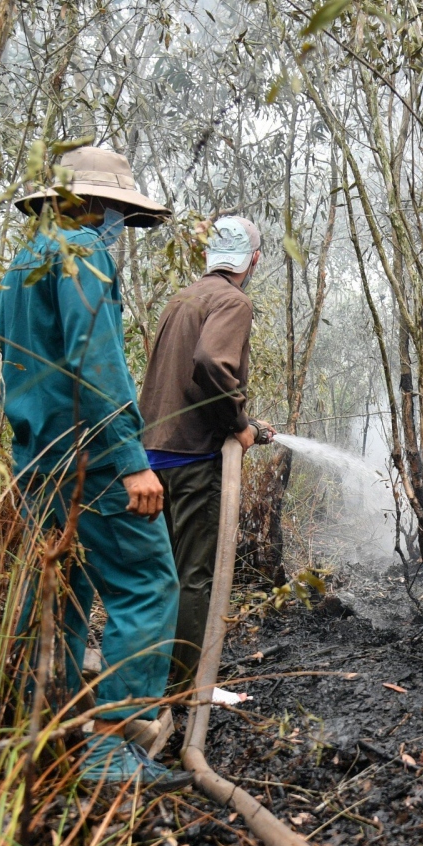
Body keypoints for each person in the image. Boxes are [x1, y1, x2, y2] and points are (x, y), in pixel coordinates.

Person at [0, 145, 191, 792]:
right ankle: (115, 750)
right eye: (113, 211)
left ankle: (40, 739)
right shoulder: (82, 254)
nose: (116, 226)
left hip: (39, 460)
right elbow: (97, 362)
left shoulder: (22, 263)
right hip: (93, 457)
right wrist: (132, 460)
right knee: (147, 584)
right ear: (89, 204)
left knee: (61, 593)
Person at [139, 215, 274, 690]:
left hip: (152, 456)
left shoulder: (183, 297)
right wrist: (238, 424)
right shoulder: (233, 301)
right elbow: (209, 365)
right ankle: (185, 688)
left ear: (208, 256)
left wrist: (249, 424)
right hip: (194, 459)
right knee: (195, 577)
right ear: (252, 260)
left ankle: (150, 677)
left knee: (163, 575)